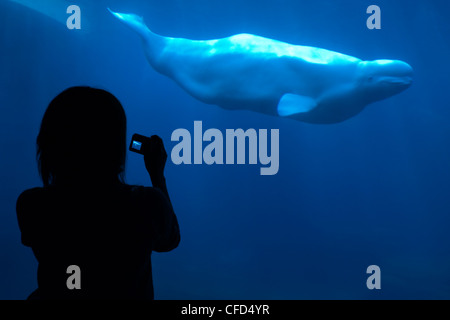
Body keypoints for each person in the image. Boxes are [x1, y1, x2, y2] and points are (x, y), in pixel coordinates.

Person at [16, 86, 180, 299]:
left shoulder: (33, 204)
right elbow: (170, 240)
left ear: (48, 144)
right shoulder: (144, 203)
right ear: (116, 147)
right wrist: (157, 175)